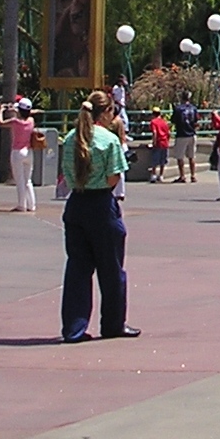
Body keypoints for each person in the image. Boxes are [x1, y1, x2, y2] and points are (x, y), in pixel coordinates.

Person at [61, 92, 137, 341]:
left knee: (77, 269)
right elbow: (114, 177)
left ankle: (74, 327)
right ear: (105, 113)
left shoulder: (71, 138)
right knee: (112, 269)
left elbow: (66, 174)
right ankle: (113, 324)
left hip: (76, 203)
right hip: (101, 205)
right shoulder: (109, 140)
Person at [6, 98, 38, 211]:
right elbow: (28, 113)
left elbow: (0, 122)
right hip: (28, 151)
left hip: (17, 152)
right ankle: (31, 205)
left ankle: (21, 205)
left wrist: (2, 110)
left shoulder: (15, 122)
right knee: (28, 180)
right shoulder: (31, 121)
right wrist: (16, 110)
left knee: (19, 180)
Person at [171, 96, 199, 183]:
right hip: (192, 134)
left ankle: (182, 176)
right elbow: (196, 121)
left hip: (181, 134)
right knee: (192, 156)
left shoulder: (178, 109)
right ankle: (193, 175)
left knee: (180, 157)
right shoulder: (193, 108)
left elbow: (173, 120)